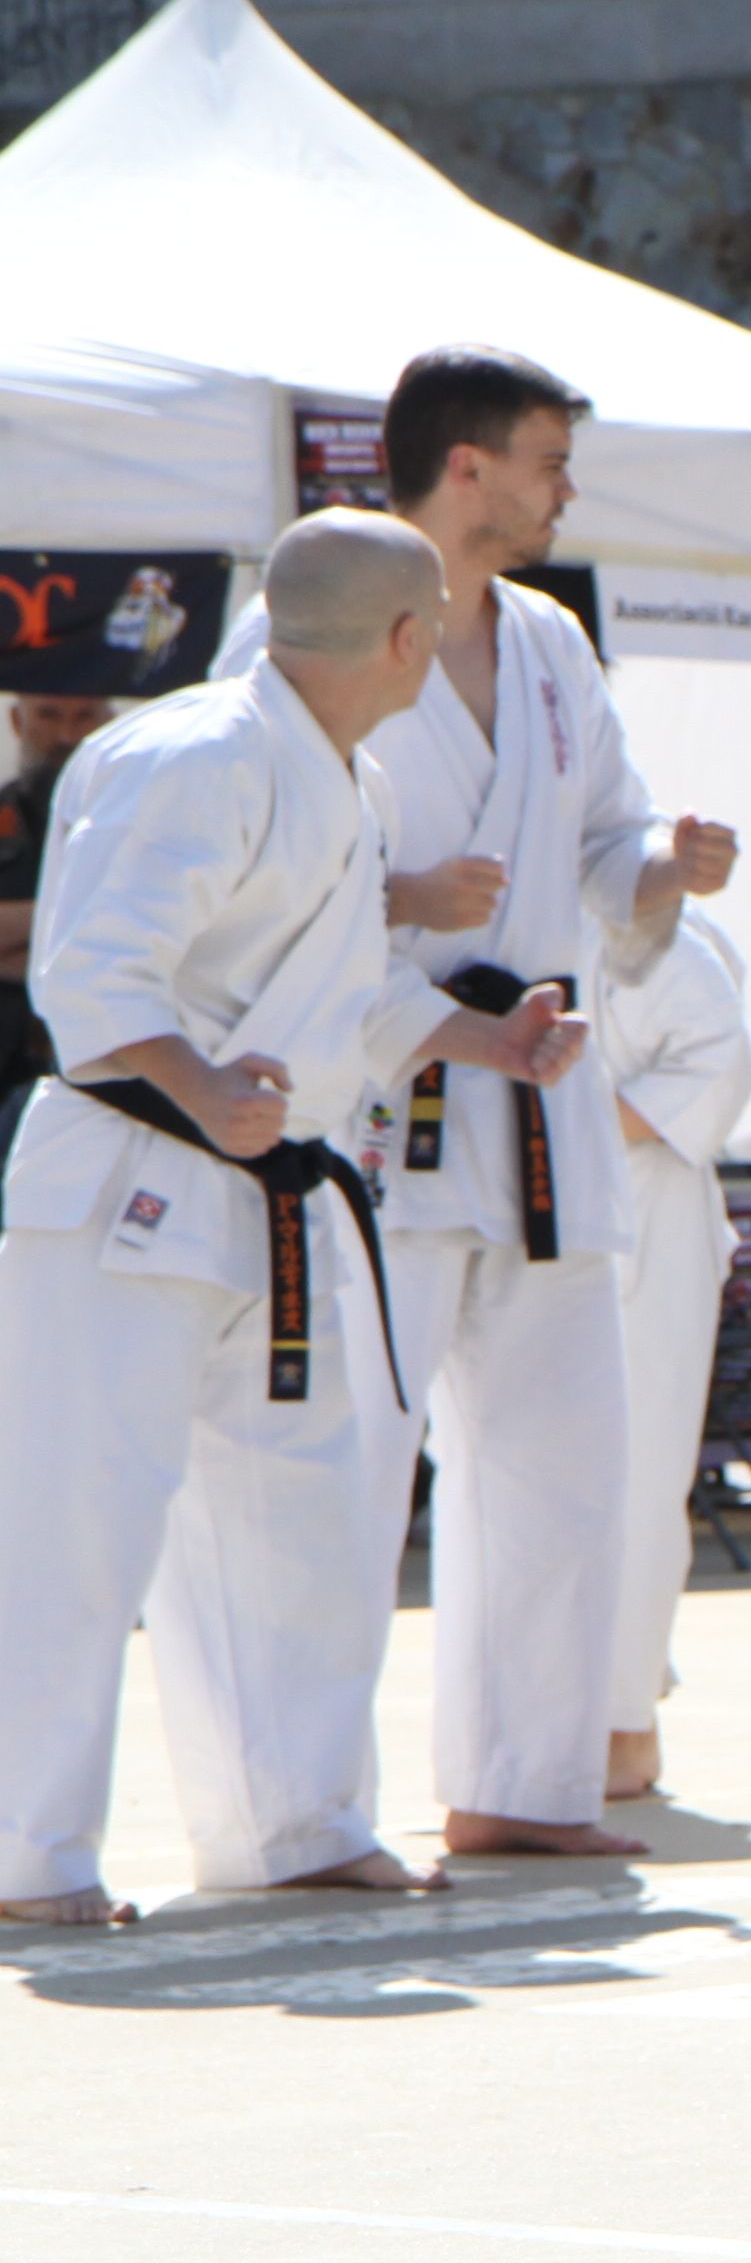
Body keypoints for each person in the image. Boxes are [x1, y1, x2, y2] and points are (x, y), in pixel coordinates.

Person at [0, 513, 587, 1923]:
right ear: (403, 639)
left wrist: (482, 1042)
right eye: (435, 623)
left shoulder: (344, 776)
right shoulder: (196, 754)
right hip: (128, 1186)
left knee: (306, 1516)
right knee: (80, 1527)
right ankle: (26, 1855)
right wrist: (202, 1084)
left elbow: (344, 994)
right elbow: (90, 981)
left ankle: (295, 1822)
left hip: (271, 1190)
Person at [212, 348, 741, 1860]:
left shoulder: (556, 643)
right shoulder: (297, 628)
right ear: (466, 469)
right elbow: (243, 853)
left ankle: (525, 1786)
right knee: (355, 1468)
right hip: (389, 1094)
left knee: (564, 1464)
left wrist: (663, 872)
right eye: (546, 461)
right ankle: (304, 1813)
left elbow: (607, 840)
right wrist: (402, 895)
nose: (564, 489)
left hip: (550, 1097)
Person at [597, 905, 751, 1802]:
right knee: (506, 1479)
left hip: (643, 1198)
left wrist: (569, 1120)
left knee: (640, 1474)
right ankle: (544, 1712)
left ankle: (624, 1721)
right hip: (505, 1202)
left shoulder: (653, 929)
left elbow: (721, 1058)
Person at [0, 689, 123, 1115]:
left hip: (91, 1086)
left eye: (84, 715)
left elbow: (126, 948)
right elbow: (103, 934)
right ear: (17, 721)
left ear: (110, 720)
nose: (66, 735)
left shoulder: (132, 826)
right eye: (49, 716)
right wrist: (75, 917)